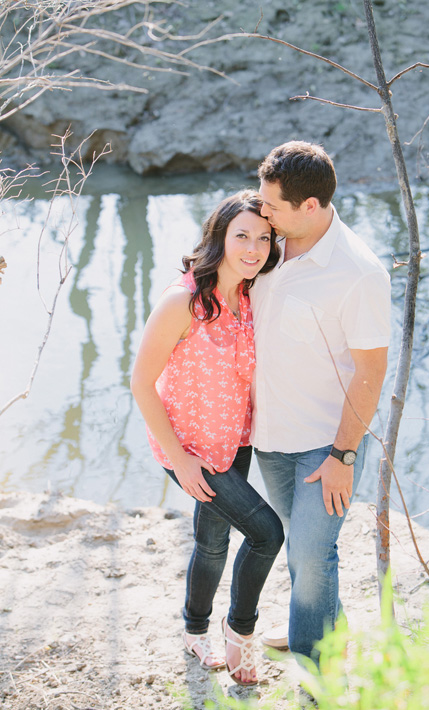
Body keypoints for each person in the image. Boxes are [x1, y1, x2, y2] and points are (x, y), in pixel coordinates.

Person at [130, 190, 285, 685]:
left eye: (264, 238)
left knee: (212, 541)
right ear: (218, 236)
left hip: (234, 443)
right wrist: (180, 460)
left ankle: (194, 632)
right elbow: (140, 383)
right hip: (192, 453)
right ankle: (240, 631)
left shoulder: (249, 296)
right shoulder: (184, 301)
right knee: (267, 534)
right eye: (242, 235)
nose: (254, 248)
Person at [250, 141, 391, 663]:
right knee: (299, 547)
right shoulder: (265, 245)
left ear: (310, 206)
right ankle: (322, 623)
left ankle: (315, 669)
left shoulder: (359, 272)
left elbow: (371, 371)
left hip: (324, 446)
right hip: (269, 439)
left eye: (272, 206)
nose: (262, 213)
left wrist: (343, 456)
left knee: (312, 555)